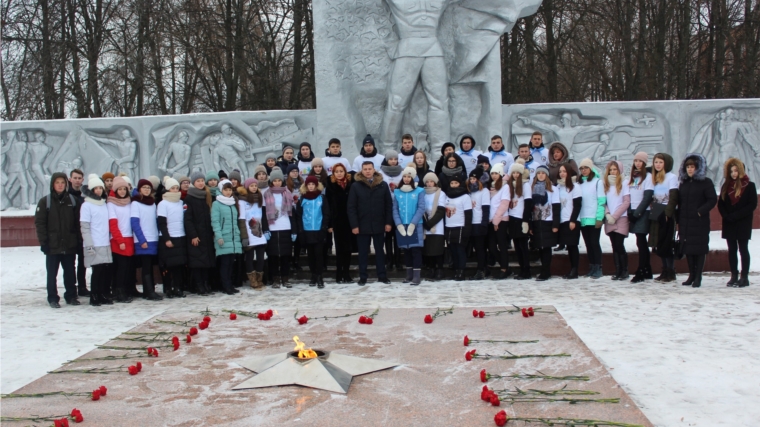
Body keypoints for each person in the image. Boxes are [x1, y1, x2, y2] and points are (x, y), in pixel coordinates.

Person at [35, 172, 81, 308]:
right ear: (53, 184)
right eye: (57, 182)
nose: (60, 185)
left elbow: (78, 223)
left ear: (66, 184)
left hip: (69, 243)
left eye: (62, 182)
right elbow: (40, 223)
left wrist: (78, 241)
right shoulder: (45, 202)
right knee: (52, 273)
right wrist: (43, 242)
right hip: (52, 244)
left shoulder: (73, 201)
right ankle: (53, 298)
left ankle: (71, 296)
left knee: (70, 272)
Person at [347, 161, 393, 285]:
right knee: (362, 253)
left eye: (369, 169)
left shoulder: (383, 185)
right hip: (362, 225)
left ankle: (382, 276)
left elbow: (389, 205)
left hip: (379, 224)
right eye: (365, 169)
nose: (367, 171)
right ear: (361, 171)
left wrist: (388, 222)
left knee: (379, 251)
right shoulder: (356, 186)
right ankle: (363, 277)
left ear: (374, 170)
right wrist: (354, 225)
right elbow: (351, 207)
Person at [677, 153, 717, 288]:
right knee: (688, 249)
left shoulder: (706, 182)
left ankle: (698, 276)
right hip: (686, 222)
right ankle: (691, 275)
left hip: (699, 222)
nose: (690, 169)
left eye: (692, 166)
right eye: (688, 166)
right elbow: (680, 202)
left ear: (698, 168)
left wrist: (700, 211)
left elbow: (712, 200)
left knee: (699, 250)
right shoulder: (684, 183)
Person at [718, 158, 757, 288]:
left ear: (741, 171)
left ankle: (744, 276)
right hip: (729, 222)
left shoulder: (749, 185)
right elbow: (721, 204)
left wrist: (736, 215)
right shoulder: (725, 186)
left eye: (736, 170)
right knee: (732, 250)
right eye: (731, 171)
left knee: (743, 249)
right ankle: (733, 275)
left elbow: (752, 204)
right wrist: (726, 216)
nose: (734, 173)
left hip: (743, 222)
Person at [79, 174, 112, 306]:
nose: (98, 190)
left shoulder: (104, 204)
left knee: (105, 270)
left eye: (100, 188)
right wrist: (89, 244)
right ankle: (94, 296)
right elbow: (85, 226)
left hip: (105, 242)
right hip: (94, 242)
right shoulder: (87, 205)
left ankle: (102, 294)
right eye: (95, 188)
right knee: (97, 271)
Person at [262, 167, 296, 288]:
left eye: (279, 180)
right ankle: (275, 278)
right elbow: (263, 213)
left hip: (285, 227)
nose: (277, 182)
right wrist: (265, 229)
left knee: (286, 256)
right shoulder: (266, 194)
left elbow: (292, 214)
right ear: (271, 181)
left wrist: (294, 230)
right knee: (273, 256)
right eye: (275, 180)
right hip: (272, 229)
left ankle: (285, 278)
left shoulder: (287, 193)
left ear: (282, 180)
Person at [294, 175, 331, 288]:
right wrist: (301, 230)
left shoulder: (322, 198)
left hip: (319, 230)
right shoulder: (302, 199)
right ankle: (313, 275)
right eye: (309, 184)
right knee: (310, 255)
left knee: (319, 254)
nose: (310, 186)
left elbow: (326, 214)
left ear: (316, 186)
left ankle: (320, 276)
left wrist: (324, 228)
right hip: (307, 231)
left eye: (313, 185)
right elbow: (299, 216)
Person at [131, 178, 163, 300]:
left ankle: (150, 290)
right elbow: (134, 223)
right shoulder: (135, 203)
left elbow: (155, 221)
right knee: (146, 266)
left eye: (148, 188)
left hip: (153, 238)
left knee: (151, 266)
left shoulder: (152, 203)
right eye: (144, 187)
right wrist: (141, 239)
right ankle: (149, 291)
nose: (146, 190)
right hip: (143, 240)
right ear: (139, 189)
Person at [184, 171, 215, 295]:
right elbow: (187, 219)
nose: (201, 183)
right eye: (198, 181)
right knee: (197, 262)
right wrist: (193, 235)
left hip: (207, 234)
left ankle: (206, 284)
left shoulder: (206, 196)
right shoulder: (189, 198)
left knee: (206, 261)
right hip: (196, 236)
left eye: (202, 180)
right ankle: (199, 285)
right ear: (193, 183)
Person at [393, 167, 425, 285]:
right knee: (406, 251)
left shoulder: (419, 191)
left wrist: (413, 223)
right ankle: (409, 274)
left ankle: (416, 276)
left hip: (415, 225)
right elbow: (395, 209)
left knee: (415, 250)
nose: (406, 179)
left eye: (409, 176)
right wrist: (399, 224)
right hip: (402, 225)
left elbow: (421, 208)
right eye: (405, 176)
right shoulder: (397, 191)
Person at [650, 153, 679, 283]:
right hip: (656, 211)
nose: (658, 165)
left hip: (666, 214)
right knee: (659, 243)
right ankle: (664, 270)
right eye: (656, 162)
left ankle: (671, 271)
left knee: (667, 243)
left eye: (660, 162)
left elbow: (673, 197)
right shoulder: (654, 177)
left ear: (666, 164)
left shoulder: (671, 177)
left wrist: (668, 213)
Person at [157, 176, 187, 298]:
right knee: (169, 265)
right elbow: (162, 223)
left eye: (176, 188)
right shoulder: (163, 203)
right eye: (172, 188)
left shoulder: (181, 202)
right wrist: (167, 238)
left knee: (179, 265)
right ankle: (168, 288)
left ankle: (178, 287)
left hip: (180, 235)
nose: (175, 190)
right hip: (169, 237)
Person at [211, 179, 242, 295]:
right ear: (221, 190)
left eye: (230, 190)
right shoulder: (217, 204)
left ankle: (230, 284)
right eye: (225, 189)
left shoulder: (233, 203)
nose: (228, 192)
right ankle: (225, 286)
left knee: (231, 263)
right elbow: (215, 221)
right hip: (224, 237)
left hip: (233, 238)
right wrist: (218, 236)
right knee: (224, 264)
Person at [325, 163, 355, 283]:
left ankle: (346, 273)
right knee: (339, 248)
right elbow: (328, 206)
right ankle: (339, 274)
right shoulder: (331, 186)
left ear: (345, 172)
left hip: (349, 220)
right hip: (337, 221)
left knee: (348, 248)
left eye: (341, 171)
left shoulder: (351, 185)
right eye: (336, 171)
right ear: (333, 173)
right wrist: (330, 223)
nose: (339, 173)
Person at [237, 177, 269, 290]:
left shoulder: (260, 198)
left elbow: (263, 216)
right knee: (249, 258)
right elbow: (241, 219)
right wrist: (244, 236)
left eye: (255, 186)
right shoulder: (242, 200)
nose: (254, 188)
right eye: (251, 186)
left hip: (259, 232)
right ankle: (253, 280)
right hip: (249, 232)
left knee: (261, 258)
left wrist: (266, 230)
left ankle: (259, 279)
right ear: (247, 187)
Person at [107, 176, 135, 303]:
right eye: (120, 189)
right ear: (115, 190)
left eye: (124, 189)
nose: (123, 191)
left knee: (129, 267)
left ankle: (127, 289)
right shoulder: (111, 204)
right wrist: (120, 241)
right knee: (121, 268)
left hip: (129, 238)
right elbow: (113, 225)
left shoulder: (129, 202)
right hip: (119, 240)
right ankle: (118, 291)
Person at [628, 152, 654, 283]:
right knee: (640, 241)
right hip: (633, 212)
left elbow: (647, 197)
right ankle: (647, 269)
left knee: (642, 242)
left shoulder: (648, 177)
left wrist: (637, 213)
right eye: (636, 160)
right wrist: (629, 212)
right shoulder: (633, 177)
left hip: (642, 212)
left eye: (640, 161)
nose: (637, 163)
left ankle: (641, 270)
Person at [530, 165, 560, 281]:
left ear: (547, 175)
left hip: (548, 221)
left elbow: (556, 207)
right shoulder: (533, 188)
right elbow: (531, 208)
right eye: (538, 173)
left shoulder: (553, 189)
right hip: (537, 221)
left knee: (547, 248)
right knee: (540, 248)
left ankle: (546, 272)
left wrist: (555, 224)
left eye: (543, 173)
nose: (541, 175)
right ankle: (543, 270)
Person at [603, 160, 631, 280]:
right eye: (611, 170)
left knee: (619, 244)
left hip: (621, 218)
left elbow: (626, 202)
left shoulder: (624, 183)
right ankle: (618, 270)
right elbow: (603, 202)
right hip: (610, 219)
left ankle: (625, 270)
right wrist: (608, 213)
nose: (613, 172)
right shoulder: (606, 184)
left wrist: (615, 216)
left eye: (615, 169)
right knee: (614, 245)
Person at [578, 158, 605, 279]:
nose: (584, 171)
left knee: (594, 243)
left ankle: (598, 267)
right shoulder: (579, 183)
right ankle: (592, 266)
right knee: (588, 244)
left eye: (586, 168)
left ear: (591, 169)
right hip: (583, 218)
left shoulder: (598, 182)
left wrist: (599, 217)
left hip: (594, 218)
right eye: (582, 169)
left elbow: (601, 201)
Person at [67, 168, 91, 298]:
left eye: (79, 178)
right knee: (70, 263)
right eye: (74, 178)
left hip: (83, 232)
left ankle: (82, 287)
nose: (77, 180)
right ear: (70, 179)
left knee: (83, 261)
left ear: (82, 180)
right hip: (70, 233)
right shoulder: (66, 194)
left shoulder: (86, 195)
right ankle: (71, 288)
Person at [380, 149, 404, 272]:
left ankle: (398, 260)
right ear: (387, 160)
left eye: (395, 159)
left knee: (398, 235)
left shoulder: (402, 172)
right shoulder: (380, 173)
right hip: (386, 207)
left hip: (400, 207)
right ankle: (389, 260)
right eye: (391, 159)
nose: (393, 161)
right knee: (388, 235)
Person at [557, 165, 582, 279]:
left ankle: (575, 270)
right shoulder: (559, 186)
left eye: (564, 171)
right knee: (568, 246)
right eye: (560, 171)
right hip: (562, 221)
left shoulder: (575, 186)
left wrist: (573, 220)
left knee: (572, 246)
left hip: (572, 220)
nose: (562, 173)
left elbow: (577, 205)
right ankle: (571, 269)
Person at [421, 172, 446, 280]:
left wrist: (430, 223)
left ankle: (439, 269)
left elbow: (441, 211)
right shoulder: (422, 193)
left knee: (437, 248)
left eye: (431, 181)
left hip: (437, 225)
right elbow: (421, 208)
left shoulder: (440, 193)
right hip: (426, 225)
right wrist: (425, 223)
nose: (430, 184)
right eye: (427, 182)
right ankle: (431, 269)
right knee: (428, 249)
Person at [488, 163, 511, 279]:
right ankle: (505, 265)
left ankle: (504, 269)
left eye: (496, 173)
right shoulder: (491, 187)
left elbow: (504, 204)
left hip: (501, 220)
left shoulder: (505, 187)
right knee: (491, 246)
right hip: (492, 220)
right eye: (492, 173)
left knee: (501, 245)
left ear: (501, 174)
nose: (494, 175)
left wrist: (497, 220)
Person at [468, 167, 491, 280]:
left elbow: (485, 208)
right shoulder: (470, 191)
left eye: (474, 178)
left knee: (480, 248)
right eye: (471, 178)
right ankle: (484, 268)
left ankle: (481, 270)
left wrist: (484, 223)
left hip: (479, 222)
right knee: (475, 248)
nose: (472, 181)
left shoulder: (484, 191)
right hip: (471, 223)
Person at [285, 163, 303, 272]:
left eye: (296, 171)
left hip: (300, 212)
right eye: (292, 171)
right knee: (290, 238)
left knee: (299, 239)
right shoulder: (286, 184)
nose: (295, 173)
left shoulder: (302, 183)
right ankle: (290, 261)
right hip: (289, 212)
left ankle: (296, 260)